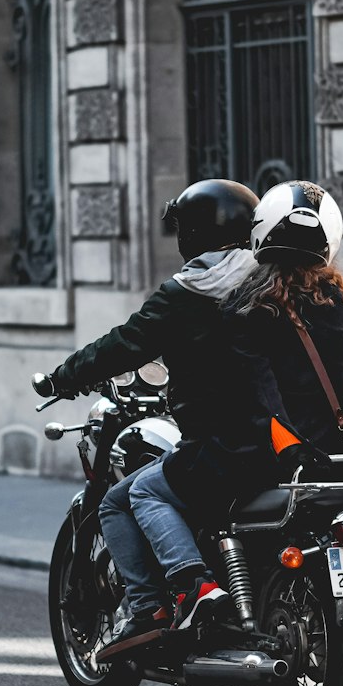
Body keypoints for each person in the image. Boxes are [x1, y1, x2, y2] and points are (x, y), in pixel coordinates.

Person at [42, 179, 258, 656]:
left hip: (223, 445)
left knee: (128, 496)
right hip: (286, 442)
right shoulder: (274, 283)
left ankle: (159, 603)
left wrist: (62, 378)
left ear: (194, 234)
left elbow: (123, 344)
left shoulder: (189, 292)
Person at [125, 179, 343, 618]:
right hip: (334, 455)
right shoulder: (337, 301)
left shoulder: (247, 306)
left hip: (260, 455)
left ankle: (197, 588)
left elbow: (251, 393)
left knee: (145, 491)